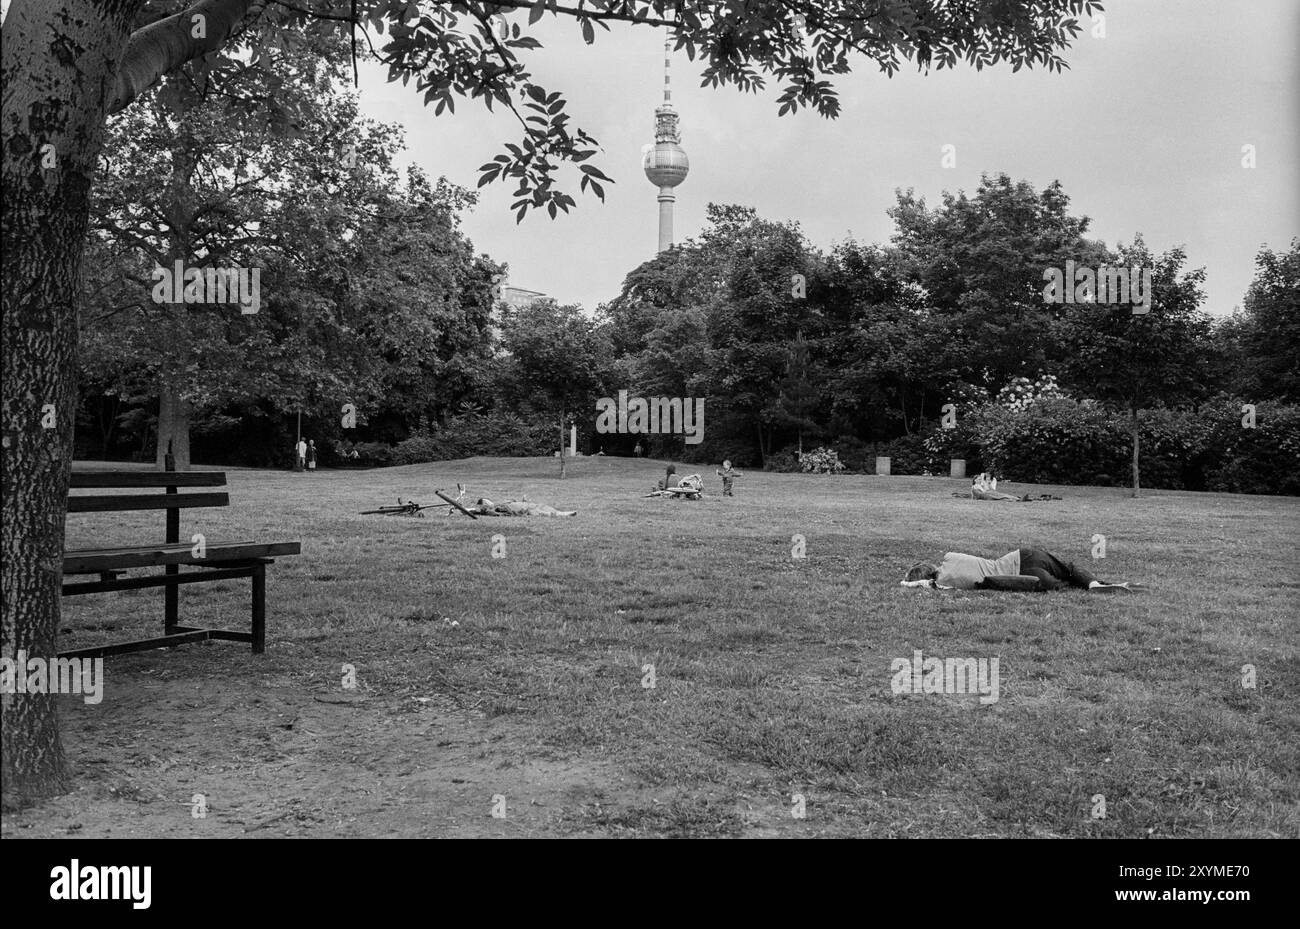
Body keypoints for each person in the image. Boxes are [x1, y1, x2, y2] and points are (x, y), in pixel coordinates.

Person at [902, 547, 1137, 592]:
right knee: (1069, 568)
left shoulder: (945, 582)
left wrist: (909, 583)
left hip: (1028, 578)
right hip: (1024, 555)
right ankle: (1094, 583)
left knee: (1060, 584)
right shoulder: (949, 557)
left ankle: (1089, 585)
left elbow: (928, 584)